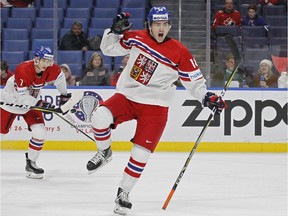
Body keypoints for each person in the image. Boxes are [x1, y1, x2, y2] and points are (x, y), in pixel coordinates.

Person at [86, 7, 227, 215]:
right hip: (127, 96)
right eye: (156, 24)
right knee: (99, 116)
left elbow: (195, 83)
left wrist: (207, 97)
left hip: (156, 106)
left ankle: (123, 193)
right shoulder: (135, 37)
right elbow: (108, 49)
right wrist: (114, 31)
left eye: (164, 25)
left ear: (168, 26)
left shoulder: (180, 52)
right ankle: (104, 151)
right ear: (149, 25)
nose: (160, 28)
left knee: (141, 153)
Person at [0, 46, 71, 179]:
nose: (47, 64)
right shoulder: (23, 69)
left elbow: (60, 78)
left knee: (40, 132)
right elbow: (21, 98)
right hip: (11, 102)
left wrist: (63, 95)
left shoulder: (51, 68)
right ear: (36, 59)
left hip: (31, 104)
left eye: (49, 61)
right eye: (44, 60)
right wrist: (39, 103)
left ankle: (31, 164)